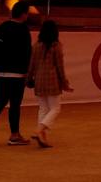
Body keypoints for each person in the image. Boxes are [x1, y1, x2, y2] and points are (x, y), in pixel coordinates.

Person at [0, 0, 33, 146]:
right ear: (23, 14)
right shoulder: (24, 30)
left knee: (1, 100)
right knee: (15, 104)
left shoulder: (2, 27)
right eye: (27, 13)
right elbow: (27, 53)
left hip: (1, 72)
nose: (27, 15)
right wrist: (28, 72)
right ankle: (14, 135)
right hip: (17, 73)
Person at [25, 19, 72, 148]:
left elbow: (31, 65)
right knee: (55, 108)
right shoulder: (56, 46)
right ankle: (39, 129)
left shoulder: (36, 45)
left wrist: (28, 79)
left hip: (39, 81)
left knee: (43, 108)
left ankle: (42, 137)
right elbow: (59, 67)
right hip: (52, 82)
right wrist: (65, 83)